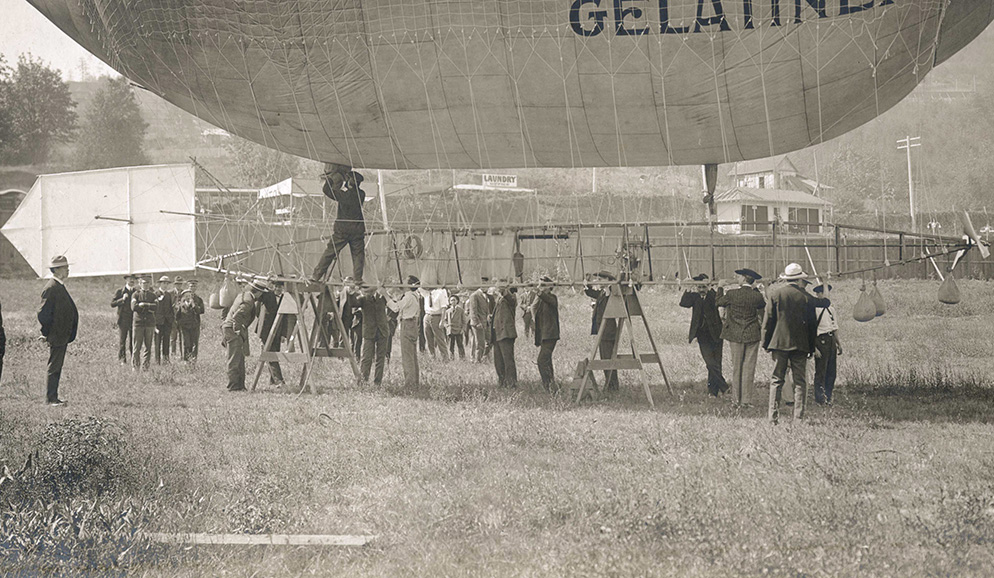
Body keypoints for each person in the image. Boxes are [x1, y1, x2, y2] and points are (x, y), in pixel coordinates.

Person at [763, 263, 830, 424]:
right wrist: (811, 346)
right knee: (800, 382)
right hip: (800, 346)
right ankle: (798, 418)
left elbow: (768, 322)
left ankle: (772, 418)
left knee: (776, 380)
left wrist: (766, 343)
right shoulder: (806, 297)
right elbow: (823, 307)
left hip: (778, 344)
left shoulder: (775, 295)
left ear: (787, 279)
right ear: (800, 280)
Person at [716, 268, 767, 407]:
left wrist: (720, 287)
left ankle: (736, 400)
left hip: (735, 334)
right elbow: (762, 305)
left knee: (736, 368)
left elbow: (718, 302)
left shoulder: (732, 294)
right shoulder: (757, 296)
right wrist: (755, 289)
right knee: (749, 368)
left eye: (739, 277)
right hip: (752, 334)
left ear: (744, 278)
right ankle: (746, 401)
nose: (737, 278)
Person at [311, 170, 366, 283]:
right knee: (358, 255)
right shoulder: (361, 194)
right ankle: (358, 279)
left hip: (343, 230)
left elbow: (327, 190)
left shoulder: (344, 195)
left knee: (330, 252)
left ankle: (316, 276)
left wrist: (330, 178)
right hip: (357, 230)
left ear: (350, 181)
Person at [38, 255, 78, 405]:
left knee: (56, 366)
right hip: (57, 335)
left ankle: (53, 397)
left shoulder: (58, 286)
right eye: (65, 268)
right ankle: (51, 399)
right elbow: (43, 313)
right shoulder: (51, 287)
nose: (68, 270)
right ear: (57, 270)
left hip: (61, 335)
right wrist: (46, 333)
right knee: (54, 366)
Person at [680, 273, 728, 397]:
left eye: (704, 287)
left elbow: (718, 301)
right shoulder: (695, 297)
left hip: (716, 333)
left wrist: (711, 287)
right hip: (702, 335)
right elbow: (684, 303)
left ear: (708, 286)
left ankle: (713, 392)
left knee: (717, 363)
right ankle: (724, 387)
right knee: (710, 363)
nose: (701, 290)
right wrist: (688, 288)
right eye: (699, 287)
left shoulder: (713, 295)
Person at [222, 279, 268, 391]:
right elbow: (237, 316)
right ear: (258, 292)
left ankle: (239, 386)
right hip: (233, 330)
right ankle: (233, 387)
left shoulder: (243, 295)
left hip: (229, 328)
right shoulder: (248, 301)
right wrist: (238, 330)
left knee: (239, 358)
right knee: (234, 359)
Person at [584, 271, 619, 391]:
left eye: (600, 279)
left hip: (607, 331)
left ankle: (613, 386)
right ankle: (610, 384)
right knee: (605, 358)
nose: (597, 281)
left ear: (607, 280)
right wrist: (587, 284)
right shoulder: (603, 293)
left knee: (608, 359)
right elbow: (591, 292)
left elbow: (614, 298)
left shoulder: (610, 293)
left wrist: (610, 288)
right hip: (602, 330)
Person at [387, 275, 422, 388]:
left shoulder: (408, 297)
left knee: (407, 355)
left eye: (405, 281)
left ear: (410, 285)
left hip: (407, 324)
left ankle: (409, 383)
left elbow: (396, 308)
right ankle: (414, 381)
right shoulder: (414, 296)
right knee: (412, 354)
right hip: (412, 323)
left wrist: (384, 295)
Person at [812, 283, 843, 405]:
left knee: (831, 371)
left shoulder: (831, 309)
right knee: (821, 371)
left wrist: (838, 343)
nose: (825, 295)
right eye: (823, 293)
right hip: (820, 340)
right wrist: (814, 348)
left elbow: (834, 327)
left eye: (826, 293)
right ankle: (820, 399)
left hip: (830, 341)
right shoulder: (814, 309)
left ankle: (828, 396)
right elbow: (811, 330)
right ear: (818, 294)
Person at [355, 282, 390, 385]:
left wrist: (389, 318)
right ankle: (363, 381)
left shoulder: (382, 297)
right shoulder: (362, 299)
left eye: (368, 291)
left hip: (382, 331)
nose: (367, 293)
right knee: (366, 357)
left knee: (380, 358)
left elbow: (393, 305)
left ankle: (377, 382)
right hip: (369, 332)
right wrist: (352, 291)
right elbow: (352, 303)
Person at [255, 280, 287, 386]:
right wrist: (266, 283)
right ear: (273, 287)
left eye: (281, 287)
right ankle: (279, 380)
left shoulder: (284, 298)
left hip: (278, 331)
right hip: (266, 330)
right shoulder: (267, 295)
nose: (278, 289)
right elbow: (258, 297)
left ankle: (272, 381)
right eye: (277, 286)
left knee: (274, 354)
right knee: (270, 353)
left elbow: (285, 318)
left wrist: (283, 334)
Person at [532, 276, 560, 391]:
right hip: (544, 335)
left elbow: (548, 299)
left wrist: (538, 292)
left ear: (550, 287)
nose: (540, 288)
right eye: (539, 285)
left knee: (542, 360)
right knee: (546, 360)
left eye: (543, 285)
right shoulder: (540, 300)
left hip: (550, 335)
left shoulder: (552, 298)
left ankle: (548, 385)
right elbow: (533, 308)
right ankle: (551, 385)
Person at [490, 279, 517, 388]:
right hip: (498, 333)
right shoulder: (500, 299)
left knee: (507, 360)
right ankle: (502, 381)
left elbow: (508, 296)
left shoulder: (511, 297)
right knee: (498, 360)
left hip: (506, 333)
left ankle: (511, 383)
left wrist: (503, 289)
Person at [131, 275, 158, 371]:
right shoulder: (136, 294)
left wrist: (144, 305)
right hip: (138, 323)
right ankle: (135, 366)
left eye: (147, 283)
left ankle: (145, 367)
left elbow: (156, 307)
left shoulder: (153, 295)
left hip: (149, 324)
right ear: (140, 284)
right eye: (143, 283)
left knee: (148, 347)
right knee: (136, 347)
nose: (145, 285)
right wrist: (148, 308)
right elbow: (134, 307)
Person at [175, 279, 205, 362]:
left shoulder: (198, 299)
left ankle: (193, 360)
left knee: (195, 343)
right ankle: (186, 359)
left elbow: (201, 311)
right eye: (191, 286)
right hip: (184, 326)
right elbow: (177, 313)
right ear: (188, 287)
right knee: (186, 343)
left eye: (194, 286)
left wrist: (194, 305)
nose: (193, 288)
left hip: (195, 324)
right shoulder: (181, 300)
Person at [111, 274, 136, 364]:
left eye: (133, 279)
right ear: (126, 280)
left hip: (133, 320)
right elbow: (112, 304)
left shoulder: (136, 291)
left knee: (133, 341)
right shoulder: (120, 291)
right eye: (130, 279)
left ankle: (134, 359)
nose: (132, 281)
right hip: (123, 319)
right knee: (122, 340)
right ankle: (122, 360)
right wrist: (122, 299)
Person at [421, 284, 449, 360]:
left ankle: (445, 357)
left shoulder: (440, 292)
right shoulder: (426, 293)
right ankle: (432, 357)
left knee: (439, 338)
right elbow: (418, 287)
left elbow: (444, 308)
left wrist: (442, 321)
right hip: (427, 315)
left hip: (436, 316)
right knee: (428, 338)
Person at [153, 275, 175, 364]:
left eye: (167, 283)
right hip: (158, 322)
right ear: (160, 284)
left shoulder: (168, 295)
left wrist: (171, 319)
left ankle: (166, 360)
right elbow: (154, 309)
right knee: (157, 342)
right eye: (164, 283)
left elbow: (170, 308)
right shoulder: (155, 294)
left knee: (166, 342)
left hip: (167, 322)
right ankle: (157, 361)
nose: (165, 285)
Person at [468, 283, 491, 363]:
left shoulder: (486, 296)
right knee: (479, 343)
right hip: (478, 323)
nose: (487, 287)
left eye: (487, 285)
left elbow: (486, 309)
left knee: (489, 340)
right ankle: (477, 360)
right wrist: (477, 322)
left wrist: (488, 315)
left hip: (486, 322)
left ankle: (484, 357)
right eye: (485, 285)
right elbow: (473, 311)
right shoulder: (474, 295)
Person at [443, 294, 466, 360]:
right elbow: (445, 320)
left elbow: (464, 321)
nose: (453, 301)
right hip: (450, 330)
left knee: (460, 344)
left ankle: (462, 358)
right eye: (451, 300)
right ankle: (451, 357)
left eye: (454, 300)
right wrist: (447, 327)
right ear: (449, 302)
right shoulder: (447, 311)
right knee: (451, 345)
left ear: (457, 301)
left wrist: (462, 329)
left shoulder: (461, 310)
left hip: (458, 329)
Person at [170, 276, 184, 356]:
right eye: (177, 284)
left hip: (181, 318)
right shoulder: (170, 293)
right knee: (173, 338)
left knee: (182, 338)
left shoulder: (183, 293)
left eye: (180, 284)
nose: (178, 285)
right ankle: (173, 354)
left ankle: (182, 354)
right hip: (173, 318)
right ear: (174, 284)